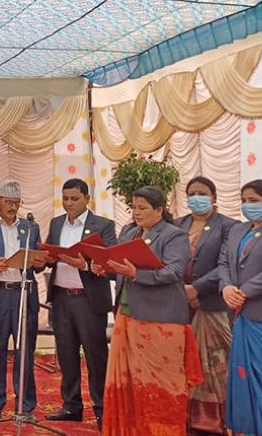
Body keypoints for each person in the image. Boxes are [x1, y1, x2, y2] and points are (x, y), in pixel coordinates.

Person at [95, 186, 202, 435]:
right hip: (127, 317)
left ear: (159, 210)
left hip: (161, 319)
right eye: (134, 207)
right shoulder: (130, 232)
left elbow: (173, 272)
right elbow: (119, 268)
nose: (136, 212)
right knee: (130, 382)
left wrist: (136, 273)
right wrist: (103, 267)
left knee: (162, 382)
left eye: (142, 208)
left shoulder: (173, 235)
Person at [0, 179, 47, 422]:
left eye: (16, 202)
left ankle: (25, 406)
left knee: (25, 352)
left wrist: (40, 262)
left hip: (24, 294)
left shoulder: (30, 227)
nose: (13, 207)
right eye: (8, 202)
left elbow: (37, 258)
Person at [43, 178, 117, 428]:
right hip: (62, 297)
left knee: (96, 356)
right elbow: (50, 256)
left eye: (74, 198)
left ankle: (102, 408)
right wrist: (41, 259)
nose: (68, 203)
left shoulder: (103, 225)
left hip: (88, 299)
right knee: (66, 354)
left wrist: (84, 265)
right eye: (65, 198)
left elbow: (110, 263)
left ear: (87, 198)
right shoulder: (56, 223)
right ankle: (71, 406)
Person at [217, 179, 262, 436]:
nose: (246, 205)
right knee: (243, 379)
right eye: (243, 200)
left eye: (253, 200)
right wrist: (226, 287)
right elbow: (223, 262)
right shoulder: (237, 230)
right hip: (240, 315)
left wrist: (244, 291)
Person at [174, 176, 237, 434]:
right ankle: (184, 417)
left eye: (201, 193)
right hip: (178, 305)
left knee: (213, 364)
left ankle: (211, 420)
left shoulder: (229, 226)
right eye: (191, 193)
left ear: (214, 197)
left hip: (210, 304)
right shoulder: (178, 225)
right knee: (181, 361)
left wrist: (196, 289)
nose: (195, 198)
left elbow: (226, 266)